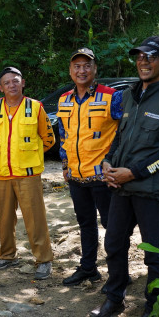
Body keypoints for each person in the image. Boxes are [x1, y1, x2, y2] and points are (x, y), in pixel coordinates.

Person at [89, 36, 159, 317]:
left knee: (154, 252)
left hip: (150, 190)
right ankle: (114, 297)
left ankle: (153, 309)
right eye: (139, 57)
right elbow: (120, 136)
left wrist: (132, 173)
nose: (143, 62)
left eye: (151, 56)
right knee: (114, 244)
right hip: (120, 188)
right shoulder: (131, 93)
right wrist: (108, 162)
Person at [57, 48, 124, 286]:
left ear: (95, 69)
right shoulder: (64, 99)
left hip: (103, 176)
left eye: (87, 65)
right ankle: (88, 268)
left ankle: (119, 276)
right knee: (85, 224)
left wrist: (115, 162)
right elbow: (64, 134)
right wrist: (65, 164)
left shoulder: (112, 96)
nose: (81, 70)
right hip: (76, 175)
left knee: (112, 226)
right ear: (70, 71)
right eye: (77, 66)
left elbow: (123, 132)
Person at [0, 66, 56, 280]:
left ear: (23, 83)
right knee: (4, 218)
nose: (12, 85)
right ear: (0, 88)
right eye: (7, 83)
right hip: (1, 174)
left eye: (15, 81)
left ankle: (43, 259)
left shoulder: (35, 107)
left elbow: (48, 139)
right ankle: (7, 256)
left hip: (28, 174)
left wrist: (30, 155)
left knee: (35, 218)